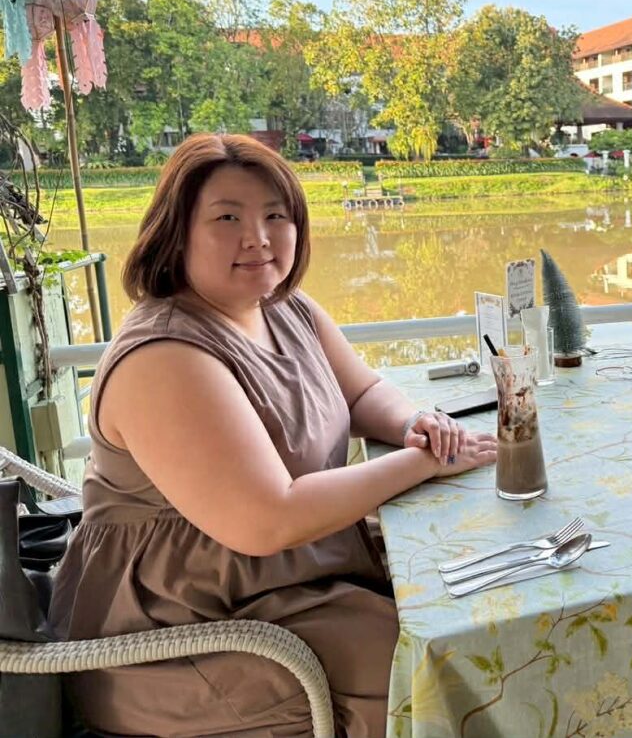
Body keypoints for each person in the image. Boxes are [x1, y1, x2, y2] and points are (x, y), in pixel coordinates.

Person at [49, 134, 497, 738]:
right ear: (176, 233)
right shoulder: (164, 356)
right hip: (183, 626)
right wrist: (423, 463)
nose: (258, 237)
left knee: (466, 581)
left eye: (275, 216)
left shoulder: (287, 308)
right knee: (425, 661)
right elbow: (267, 519)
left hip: (289, 574)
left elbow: (360, 392)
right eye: (227, 218)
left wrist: (411, 425)